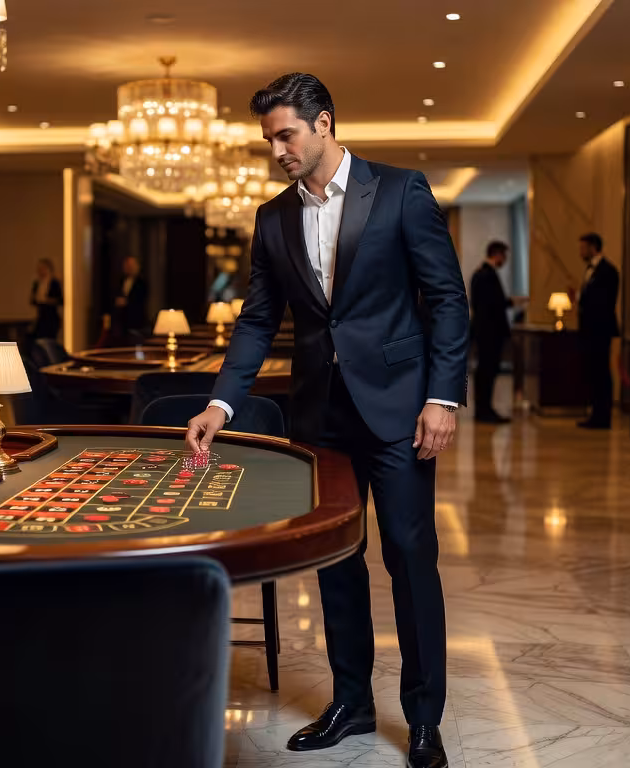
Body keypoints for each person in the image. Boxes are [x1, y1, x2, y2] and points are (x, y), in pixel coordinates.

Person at [185, 73, 467, 768]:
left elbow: (448, 301)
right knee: (337, 562)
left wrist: (443, 397)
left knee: (409, 559)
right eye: (269, 139)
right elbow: (258, 321)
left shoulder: (401, 191)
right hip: (318, 416)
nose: (277, 149)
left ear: (324, 124)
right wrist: (220, 402)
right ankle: (351, 701)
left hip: (400, 411)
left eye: (286, 134)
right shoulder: (271, 218)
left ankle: (424, 719)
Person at [574, 232, 619, 429]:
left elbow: (603, 302)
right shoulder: (590, 270)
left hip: (600, 331)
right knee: (593, 372)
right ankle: (595, 413)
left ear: (593, 247)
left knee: (601, 372)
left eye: (583, 248)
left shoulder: (608, 271)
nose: (580, 252)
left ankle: (602, 415)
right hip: (589, 331)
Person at [469, 241, 511, 424]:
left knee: (486, 370)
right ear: (497, 254)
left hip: (484, 331)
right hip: (489, 333)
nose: (505, 260)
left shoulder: (481, 273)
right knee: (487, 370)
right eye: (504, 255)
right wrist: (508, 303)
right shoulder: (487, 275)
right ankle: (484, 409)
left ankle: (484, 408)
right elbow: (491, 305)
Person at [113, 256, 148, 343]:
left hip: (136, 322)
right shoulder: (119, 281)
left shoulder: (142, 283)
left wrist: (127, 302)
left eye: (132, 266)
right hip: (120, 323)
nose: (129, 268)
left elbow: (141, 300)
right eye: (127, 266)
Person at [30, 258, 63, 342]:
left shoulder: (54, 283)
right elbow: (32, 300)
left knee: (50, 341)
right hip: (41, 317)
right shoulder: (37, 283)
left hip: (52, 318)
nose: (41, 271)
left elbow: (60, 300)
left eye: (43, 268)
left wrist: (46, 300)